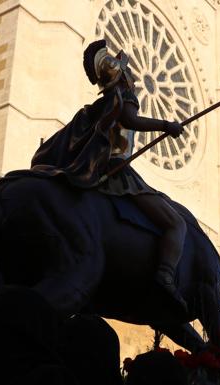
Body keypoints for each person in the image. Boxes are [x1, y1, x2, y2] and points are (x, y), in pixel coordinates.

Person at [29, 39, 188, 310]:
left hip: (92, 168)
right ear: (123, 76)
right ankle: (165, 276)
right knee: (176, 224)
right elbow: (130, 120)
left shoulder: (97, 107)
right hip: (117, 171)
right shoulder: (124, 96)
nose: (134, 76)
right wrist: (166, 125)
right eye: (128, 71)